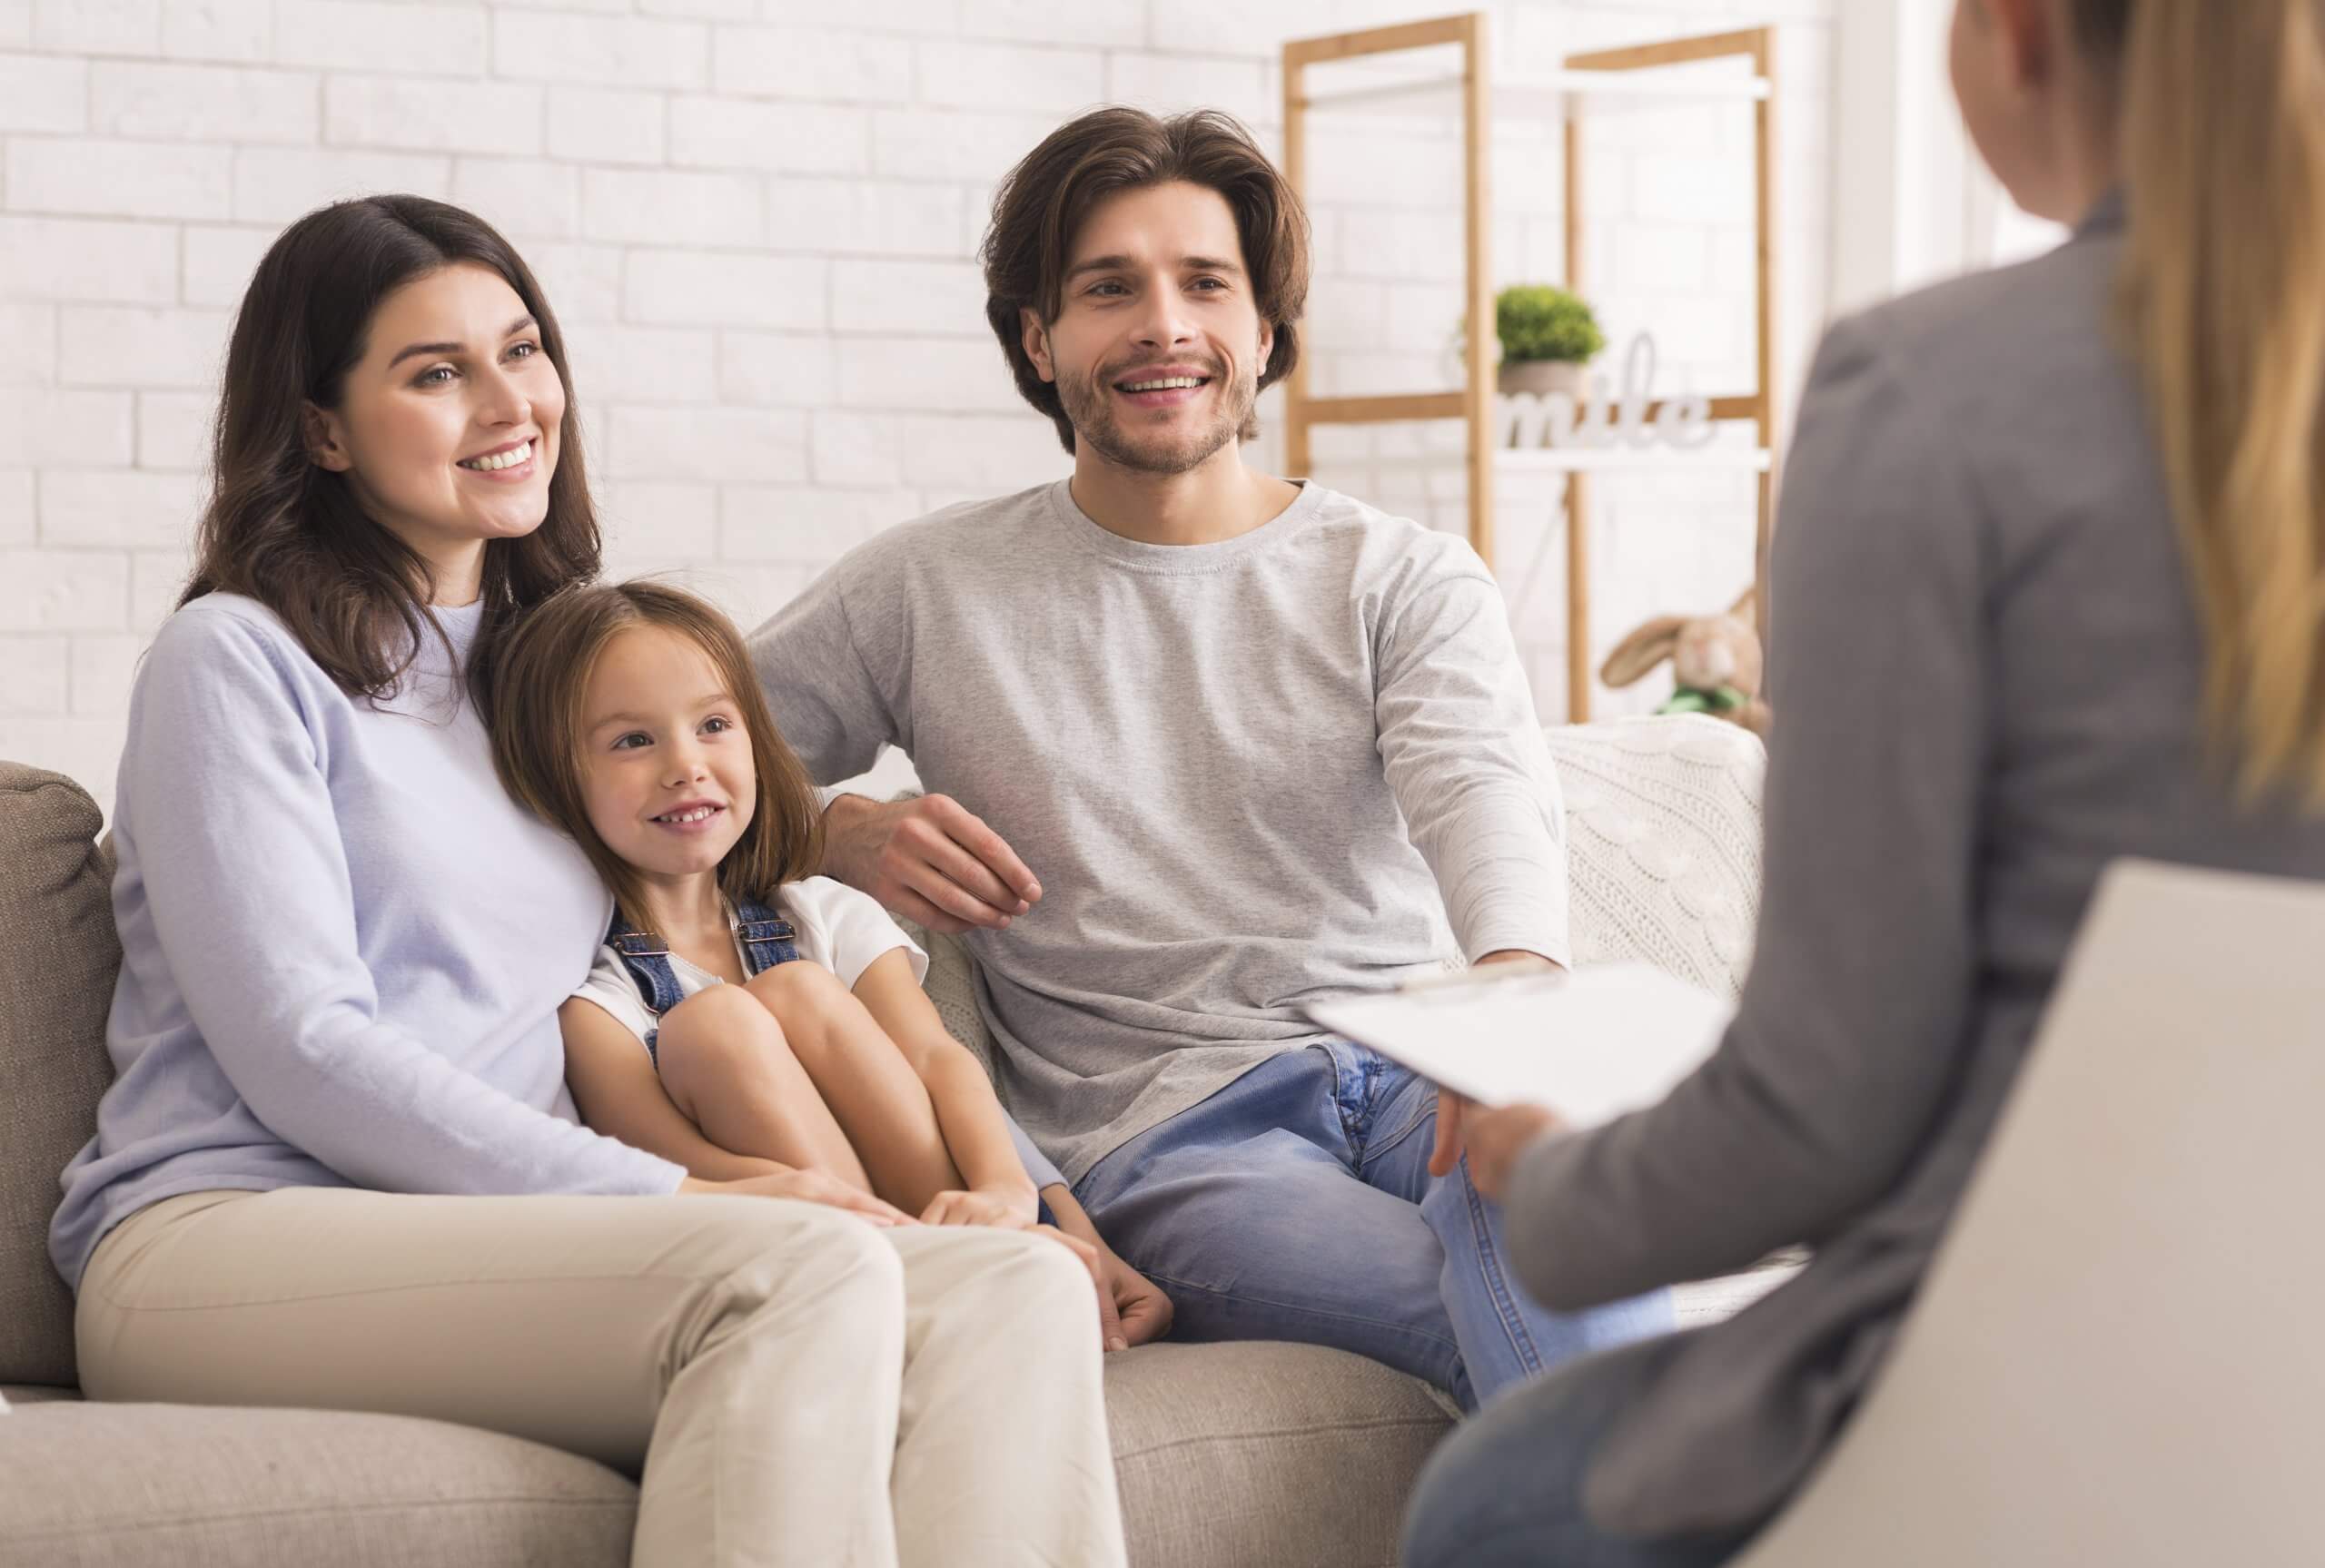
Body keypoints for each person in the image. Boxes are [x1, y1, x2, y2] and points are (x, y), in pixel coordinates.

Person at [47, 194, 1127, 1568]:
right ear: (322, 428)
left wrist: (1041, 1197)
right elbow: (303, 1048)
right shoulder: (236, 660)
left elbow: (734, 881)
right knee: (790, 1273)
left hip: (502, 1231)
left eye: (523, 349)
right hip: (227, 1235)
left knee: (1013, 1290)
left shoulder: (549, 673)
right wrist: (678, 1198)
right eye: (436, 372)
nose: (508, 403)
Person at [1399, 0, 2325, 1563]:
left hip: (2036, 1380)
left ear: (2014, 33)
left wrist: (1545, 1175)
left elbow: (1822, 1113)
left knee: (1490, 1510)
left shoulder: (1930, 395)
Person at [747, 106, 1669, 1413]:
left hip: (1413, 1063)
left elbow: (1481, 784)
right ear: (1037, 336)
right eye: (1108, 287)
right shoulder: (923, 588)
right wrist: (830, 830)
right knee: (1531, 1318)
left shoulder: (1399, 574)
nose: (1163, 325)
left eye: (1205, 284)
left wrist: (1513, 1002)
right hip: (1177, 1136)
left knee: (1568, 1226)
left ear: (1266, 330)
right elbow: (671, 755)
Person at [487, 577, 1173, 1336]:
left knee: (796, 991)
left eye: (714, 723)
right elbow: (675, 1177)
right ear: (555, 776)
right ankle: (927, 1283)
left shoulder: (824, 913)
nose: (686, 765)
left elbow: (941, 1064)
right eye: (632, 740)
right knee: (716, 1023)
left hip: (955, 1219)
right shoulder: (597, 1009)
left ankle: (988, 1262)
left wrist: (1015, 1194)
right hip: (817, 1261)